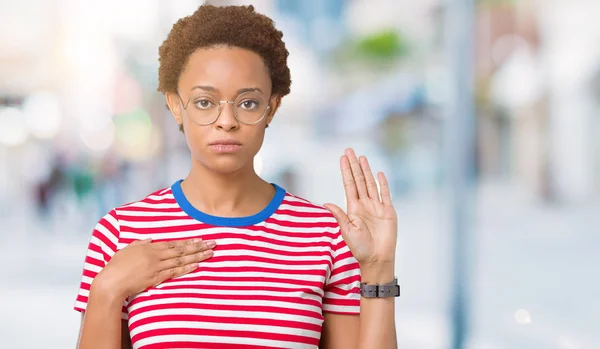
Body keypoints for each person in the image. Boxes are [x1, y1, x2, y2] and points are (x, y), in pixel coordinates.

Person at [74, 4, 399, 349]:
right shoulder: (121, 231)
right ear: (174, 104)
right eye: (204, 102)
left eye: (247, 103)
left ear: (271, 107)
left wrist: (378, 267)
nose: (226, 121)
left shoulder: (326, 237)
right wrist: (107, 289)